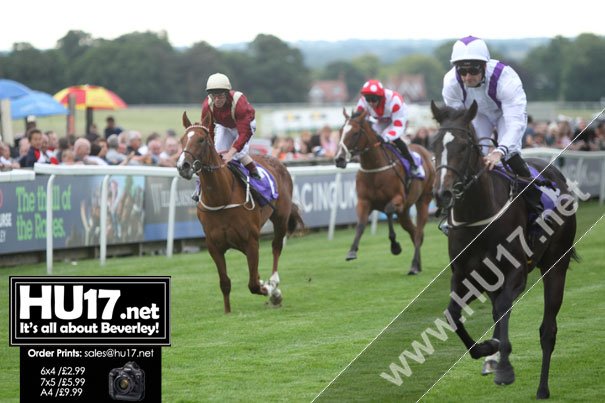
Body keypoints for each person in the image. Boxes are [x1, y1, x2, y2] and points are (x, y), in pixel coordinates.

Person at [442, 36, 543, 222]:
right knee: (471, 155)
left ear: (483, 66)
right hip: (479, 115)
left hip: (506, 115)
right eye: (462, 71)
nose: (467, 77)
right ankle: (455, 210)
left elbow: (514, 123)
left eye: (472, 70)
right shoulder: (450, 83)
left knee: (510, 153)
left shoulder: (506, 78)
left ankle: (534, 202)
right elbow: (459, 124)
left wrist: (499, 151)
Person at [201, 73, 260, 178]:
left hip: (245, 126)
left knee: (237, 154)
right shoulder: (207, 106)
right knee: (218, 154)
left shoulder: (239, 102)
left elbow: (244, 133)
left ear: (227, 94)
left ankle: (254, 172)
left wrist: (230, 153)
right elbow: (209, 130)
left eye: (220, 96)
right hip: (224, 125)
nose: (217, 100)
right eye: (213, 96)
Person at [355, 79, 419, 175]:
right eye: (368, 100)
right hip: (380, 120)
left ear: (380, 97)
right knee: (370, 137)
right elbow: (359, 121)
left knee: (395, 139)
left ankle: (412, 163)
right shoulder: (363, 102)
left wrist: (385, 138)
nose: (371, 103)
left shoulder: (394, 100)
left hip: (397, 121)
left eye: (374, 99)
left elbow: (397, 127)